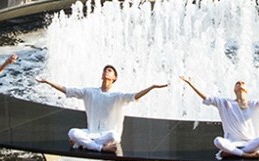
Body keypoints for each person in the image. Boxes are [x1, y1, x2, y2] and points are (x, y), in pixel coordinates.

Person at [37, 65, 169, 153]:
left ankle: (83, 144)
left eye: (110, 71)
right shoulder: (89, 92)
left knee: (113, 136)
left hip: (108, 135)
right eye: (105, 70)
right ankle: (100, 148)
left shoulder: (118, 95)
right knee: (72, 132)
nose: (106, 71)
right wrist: (48, 81)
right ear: (102, 75)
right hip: (92, 133)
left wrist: (152, 87)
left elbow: (135, 95)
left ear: (114, 78)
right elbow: (67, 90)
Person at [180, 74, 259, 159]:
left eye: (243, 83)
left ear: (247, 90)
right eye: (238, 83)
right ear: (234, 89)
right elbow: (207, 98)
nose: (240, 84)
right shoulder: (225, 103)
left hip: (250, 144)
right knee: (218, 141)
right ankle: (247, 155)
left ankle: (231, 153)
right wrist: (191, 84)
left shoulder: (256, 104)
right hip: (232, 144)